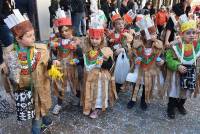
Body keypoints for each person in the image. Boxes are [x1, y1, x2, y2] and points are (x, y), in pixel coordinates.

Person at [2, 9, 53, 134]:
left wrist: (53, 66)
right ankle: (43, 123)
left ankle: (41, 125)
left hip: (40, 87)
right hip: (24, 89)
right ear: (18, 38)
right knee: (36, 111)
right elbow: (7, 74)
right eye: (29, 36)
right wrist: (9, 85)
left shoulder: (41, 49)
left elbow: (48, 66)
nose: (33, 38)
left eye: (33, 34)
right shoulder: (10, 52)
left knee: (41, 107)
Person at [164, 14, 200, 119]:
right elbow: (169, 58)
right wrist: (177, 65)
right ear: (182, 34)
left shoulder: (196, 45)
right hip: (176, 74)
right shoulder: (176, 45)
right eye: (188, 33)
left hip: (190, 74)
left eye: (193, 32)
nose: (192, 35)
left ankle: (180, 105)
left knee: (186, 91)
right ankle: (170, 107)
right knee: (174, 91)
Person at [82, 12, 117, 119]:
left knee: (98, 93)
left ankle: (97, 108)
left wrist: (103, 63)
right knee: (90, 90)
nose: (94, 41)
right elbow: (84, 59)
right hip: (89, 75)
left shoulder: (105, 50)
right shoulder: (87, 50)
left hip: (100, 77)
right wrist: (77, 61)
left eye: (97, 39)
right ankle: (88, 105)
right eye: (92, 38)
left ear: (101, 39)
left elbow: (110, 64)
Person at [49, 8, 83, 115]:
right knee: (60, 87)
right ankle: (59, 104)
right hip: (61, 68)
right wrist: (53, 49)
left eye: (66, 30)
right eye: (61, 31)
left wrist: (76, 58)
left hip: (72, 68)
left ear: (71, 29)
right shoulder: (58, 41)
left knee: (75, 85)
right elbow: (56, 55)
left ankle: (80, 99)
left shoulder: (75, 41)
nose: (64, 33)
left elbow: (81, 57)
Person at [127, 14, 164, 110]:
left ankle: (144, 99)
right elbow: (131, 54)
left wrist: (161, 61)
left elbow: (161, 54)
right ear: (145, 35)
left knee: (146, 84)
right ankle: (133, 99)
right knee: (137, 84)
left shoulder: (157, 45)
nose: (154, 35)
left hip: (150, 69)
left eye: (155, 33)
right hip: (139, 69)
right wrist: (135, 58)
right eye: (151, 33)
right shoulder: (138, 44)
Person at [107, 9, 133, 92]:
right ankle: (115, 86)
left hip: (123, 56)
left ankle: (123, 84)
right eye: (118, 24)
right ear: (114, 25)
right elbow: (108, 46)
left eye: (122, 23)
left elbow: (128, 45)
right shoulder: (111, 35)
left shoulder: (126, 34)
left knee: (122, 71)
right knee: (114, 72)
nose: (121, 25)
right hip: (114, 57)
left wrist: (123, 49)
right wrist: (113, 50)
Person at [0, 0, 14, 69]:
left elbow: (9, 10)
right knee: (10, 46)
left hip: (7, 24)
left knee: (11, 46)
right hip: (3, 25)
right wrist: (7, 19)